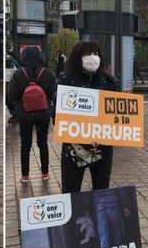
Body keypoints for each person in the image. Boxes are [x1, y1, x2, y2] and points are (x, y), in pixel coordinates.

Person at [58, 41, 118, 193]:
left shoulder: (109, 82)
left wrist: (102, 142)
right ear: (78, 58)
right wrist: (83, 139)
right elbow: (58, 115)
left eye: (96, 54)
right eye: (88, 54)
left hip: (102, 149)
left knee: (101, 193)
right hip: (74, 149)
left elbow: (115, 116)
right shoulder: (66, 81)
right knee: (71, 195)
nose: (93, 58)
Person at [7, 46, 57, 182]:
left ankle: (25, 175)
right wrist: (52, 114)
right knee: (43, 143)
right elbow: (54, 96)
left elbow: (11, 96)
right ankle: (45, 173)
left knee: (26, 145)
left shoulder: (18, 74)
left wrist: (17, 109)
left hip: (25, 115)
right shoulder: (48, 74)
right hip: (43, 115)